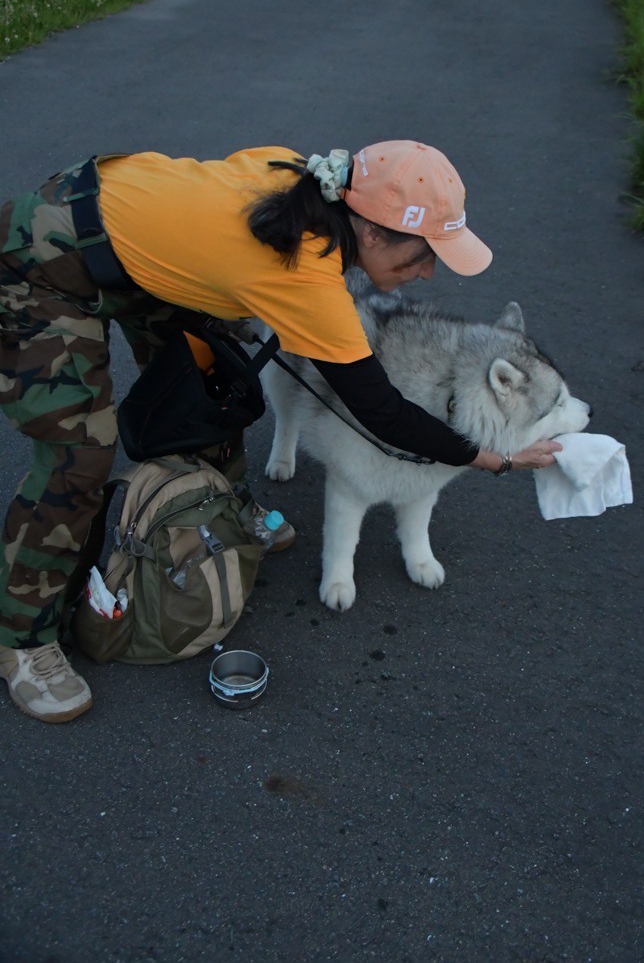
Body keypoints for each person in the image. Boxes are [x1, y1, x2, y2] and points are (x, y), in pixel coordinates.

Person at [0, 140, 560, 722]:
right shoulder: (308, 282)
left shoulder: (310, 182)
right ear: (370, 232)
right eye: (423, 255)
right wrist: (496, 460)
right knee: (78, 458)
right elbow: (383, 412)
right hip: (44, 259)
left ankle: (218, 508)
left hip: (125, 242)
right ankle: (22, 640)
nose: (427, 272)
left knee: (211, 381)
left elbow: (225, 237)